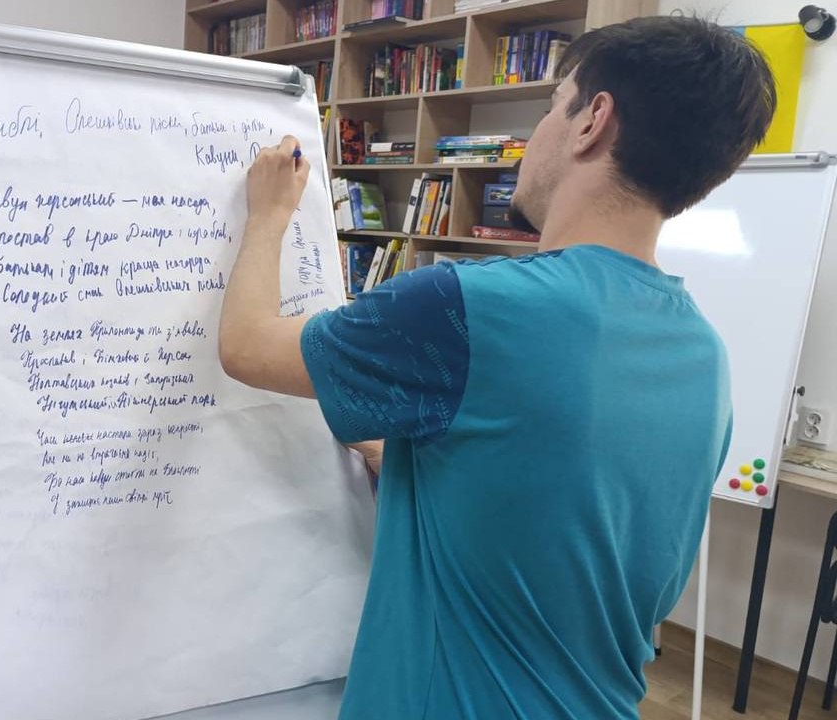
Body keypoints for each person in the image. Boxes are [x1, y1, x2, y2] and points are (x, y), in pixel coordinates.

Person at [218, 15, 776, 720]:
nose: (534, 136)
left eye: (550, 108)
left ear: (592, 122)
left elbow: (247, 345)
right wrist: (404, 459)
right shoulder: (704, 351)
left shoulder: (462, 308)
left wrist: (270, 212)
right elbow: (552, 496)